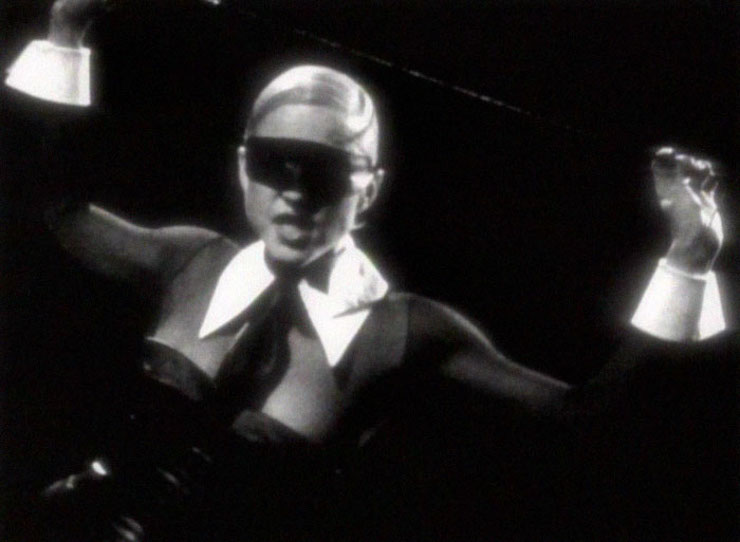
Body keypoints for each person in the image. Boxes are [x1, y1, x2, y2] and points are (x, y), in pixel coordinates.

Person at [3, 1, 735, 540]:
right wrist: (67, 30)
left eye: (324, 172)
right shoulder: (191, 261)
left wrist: (687, 261)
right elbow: (54, 207)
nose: (294, 195)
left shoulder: (403, 332)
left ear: (370, 189)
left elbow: (587, 414)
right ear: (244, 169)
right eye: (275, 164)